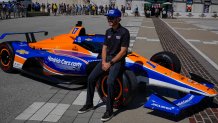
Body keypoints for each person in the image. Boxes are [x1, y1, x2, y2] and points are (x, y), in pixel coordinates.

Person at [78, 9, 130, 122]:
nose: (109, 20)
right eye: (108, 18)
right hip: (106, 60)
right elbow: (104, 48)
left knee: (110, 82)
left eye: (111, 18)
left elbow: (123, 52)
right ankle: (89, 104)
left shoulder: (124, 32)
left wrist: (110, 63)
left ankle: (109, 111)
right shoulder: (108, 31)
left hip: (118, 61)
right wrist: (103, 62)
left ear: (118, 19)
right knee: (91, 78)